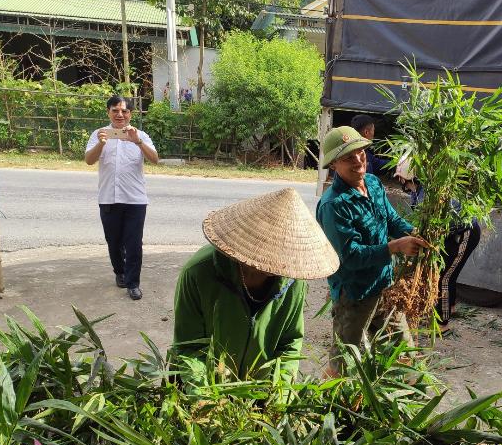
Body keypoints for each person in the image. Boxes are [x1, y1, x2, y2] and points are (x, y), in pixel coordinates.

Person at [172, 188, 340, 382]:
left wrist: (280, 391)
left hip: (260, 390)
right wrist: (204, 397)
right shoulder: (199, 273)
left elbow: (289, 342)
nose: (279, 264)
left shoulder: (293, 279)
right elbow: (188, 347)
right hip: (205, 386)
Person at [317, 126, 427, 376]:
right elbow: (351, 256)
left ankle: (399, 404)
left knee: (402, 354)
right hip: (353, 294)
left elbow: (390, 219)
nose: (358, 161)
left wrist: (413, 231)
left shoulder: (374, 184)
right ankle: (324, 406)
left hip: (384, 286)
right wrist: (395, 247)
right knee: (345, 363)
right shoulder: (333, 205)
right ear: (334, 165)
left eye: (361, 153)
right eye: (348, 158)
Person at [85, 95, 159, 301]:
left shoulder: (140, 135)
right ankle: (120, 272)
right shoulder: (99, 134)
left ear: (130, 114)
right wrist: (100, 144)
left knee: (134, 243)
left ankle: (133, 283)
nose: (120, 114)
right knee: (113, 241)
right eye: (115, 110)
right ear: (108, 112)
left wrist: (138, 142)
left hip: (135, 200)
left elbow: (155, 159)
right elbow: (89, 160)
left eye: (124, 111)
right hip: (108, 198)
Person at [394, 156, 481, 331]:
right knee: (447, 272)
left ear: (405, 177)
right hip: (450, 234)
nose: (399, 180)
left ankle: (442, 323)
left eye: (400, 176)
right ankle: (450, 307)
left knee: (444, 276)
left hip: (465, 233)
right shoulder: (417, 192)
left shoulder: (426, 196)